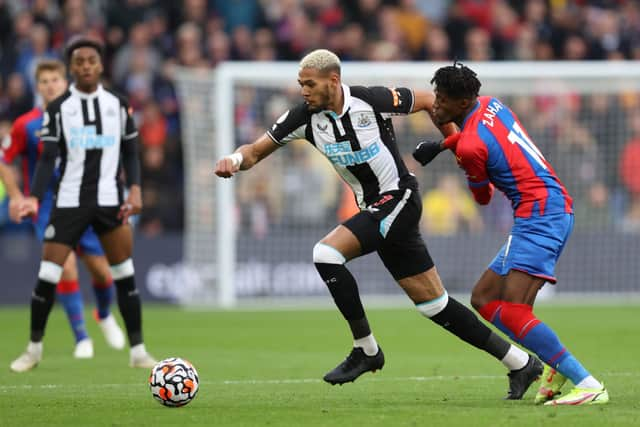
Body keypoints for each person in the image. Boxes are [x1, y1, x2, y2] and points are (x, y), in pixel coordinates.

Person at [215, 49, 543, 399]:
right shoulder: (303, 118)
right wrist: (234, 159)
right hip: (376, 210)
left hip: (399, 198)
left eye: (309, 84)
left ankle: (366, 350)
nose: (304, 91)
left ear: (333, 81)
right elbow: (254, 151)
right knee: (435, 304)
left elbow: (431, 101)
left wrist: (455, 141)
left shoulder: (371, 100)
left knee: (326, 254)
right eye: (301, 85)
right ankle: (521, 363)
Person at [412, 62, 609, 406]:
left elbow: (483, 197)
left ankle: (587, 382)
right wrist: (444, 146)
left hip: (541, 216)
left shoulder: (472, 146)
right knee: (484, 298)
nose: (436, 106)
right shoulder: (491, 104)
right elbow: (481, 136)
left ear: (461, 103)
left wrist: (459, 156)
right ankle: (555, 366)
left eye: (442, 100)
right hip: (544, 209)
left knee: (515, 310)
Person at [10, 37, 156, 372]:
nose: (86, 66)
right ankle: (33, 349)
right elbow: (46, 160)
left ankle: (138, 351)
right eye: (79, 62)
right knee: (48, 274)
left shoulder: (118, 105)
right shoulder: (59, 108)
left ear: (101, 65)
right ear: (72, 68)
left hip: (111, 201)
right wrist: (33, 197)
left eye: (92, 60)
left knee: (123, 275)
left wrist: (135, 189)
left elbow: (131, 152)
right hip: (69, 202)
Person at [0, 59, 126, 360]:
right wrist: (17, 196)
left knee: (101, 271)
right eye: (44, 81)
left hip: (85, 202)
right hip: (47, 208)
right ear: (37, 86)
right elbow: (4, 159)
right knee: (64, 266)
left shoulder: (83, 117)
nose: (50, 85)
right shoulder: (25, 124)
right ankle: (82, 337)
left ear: (65, 82)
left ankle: (104, 314)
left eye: (55, 80)